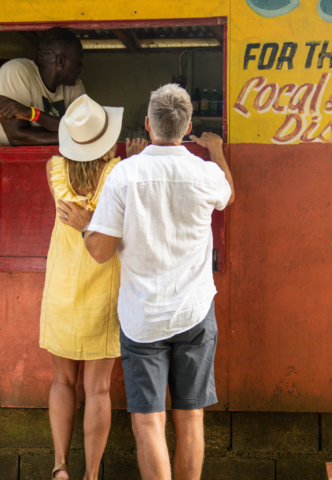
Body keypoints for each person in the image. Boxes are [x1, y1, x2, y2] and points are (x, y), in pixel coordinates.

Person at [80, 83, 234, 480]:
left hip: (142, 317)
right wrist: (215, 149)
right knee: (191, 416)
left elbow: (100, 251)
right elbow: (228, 196)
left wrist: (86, 228)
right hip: (195, 312)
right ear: (187, 128)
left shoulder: (124, 175)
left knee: (148, 421)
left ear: (148, 125)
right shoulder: (205, 172)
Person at [40, 93, 147, 480]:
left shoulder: (54, 170)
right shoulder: (120, 173)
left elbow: (69, 169)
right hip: (104, 293)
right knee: (98, 391)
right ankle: (91, 474)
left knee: (62, 381)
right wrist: (136, 158)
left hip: (62, 292)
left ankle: (60, 467)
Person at [0, 27, 85, 146]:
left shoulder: (74, 86)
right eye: (78, 60)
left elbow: (83, 129)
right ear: (60, 61)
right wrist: (74, 137)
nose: (81, 66)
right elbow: (17, 136)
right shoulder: (17, 71)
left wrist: (32, 113)